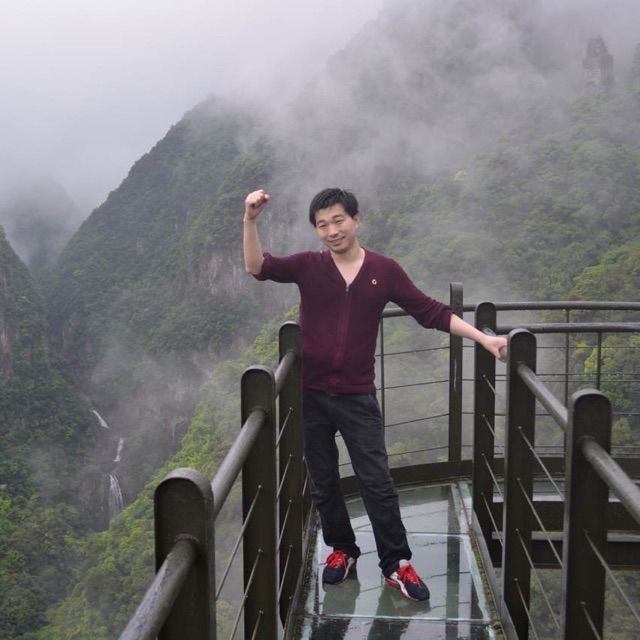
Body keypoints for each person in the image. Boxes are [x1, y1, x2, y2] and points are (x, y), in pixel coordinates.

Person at [243, 187, 506, 602]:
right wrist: (250, 219)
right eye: (322, 225)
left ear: (356, 219)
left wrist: (483, 339)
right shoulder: (309, 266)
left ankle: (396, 564)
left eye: (338, 220)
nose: (332, 231)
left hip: (357, 396)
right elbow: (257, 266)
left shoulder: (384, 270)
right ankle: (342, 550)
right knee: (324, 481)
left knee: (377, 482)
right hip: (310, 394)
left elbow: (431, 312)